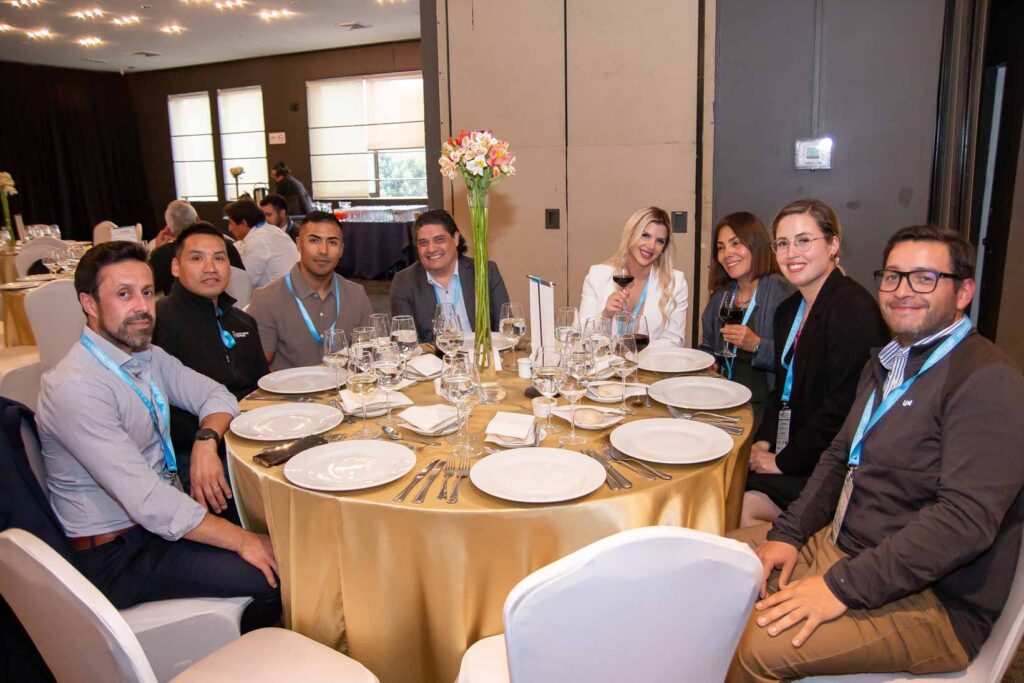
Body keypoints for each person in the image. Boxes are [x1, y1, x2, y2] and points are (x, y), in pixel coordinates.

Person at [727, 225, 1024, 682]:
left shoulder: (987, 381)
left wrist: (840, 587)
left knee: (749, 648)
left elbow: (962, 522)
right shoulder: (887, 361)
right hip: (841, 546)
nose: (903, 290)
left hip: (932, 601)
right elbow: (838, 457)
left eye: (924, 278)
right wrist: (788, 533)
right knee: (704, 568)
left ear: (963, 292)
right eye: (892, 277)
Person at [36, 241, 281, 633]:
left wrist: (205, 440)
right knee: (272, 573)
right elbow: (148, 502)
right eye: (124, 294)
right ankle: (234, 653)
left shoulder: (145, 356)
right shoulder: (76, 387)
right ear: (89, 304)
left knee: (281, 532)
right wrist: (242, 541)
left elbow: (216, 395)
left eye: (147, 292)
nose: (142, 307)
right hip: (118, 554)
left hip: (155, 524)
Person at [742, 199, 888, 528]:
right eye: (782, 243)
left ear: (833, 245)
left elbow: (843, 410)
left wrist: (782, 462)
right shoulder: (788, 310)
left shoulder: (855, 311)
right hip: (797, 447)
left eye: (804, 240)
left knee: (742, 503)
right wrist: (763, 441)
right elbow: (782, 388)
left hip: (835, 464)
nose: (792, 253)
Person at [153, 223, 269, 505]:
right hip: (195, 450)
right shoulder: (158, 323)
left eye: (219, 258)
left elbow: (261, 390)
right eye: (196, 258)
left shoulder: (243, 322)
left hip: (253, 439)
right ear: (176, 267)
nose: (210, 268)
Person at [699, 212, 794, 427]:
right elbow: (708, 347)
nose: (727, 253)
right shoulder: (721, 297)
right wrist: (709, 361)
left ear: (756, 245)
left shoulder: (782, 292)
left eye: (736, 243)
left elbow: (797, 362)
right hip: (723, 404)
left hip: (764, 411)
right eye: (721, 247)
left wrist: (757, 346)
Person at [248, 211, 372, 371]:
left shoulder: (356, 294)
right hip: (289, 387)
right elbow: (257, 367)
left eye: (332, 242)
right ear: (299, 244)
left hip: (345, 385)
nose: (323, 250)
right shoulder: (267, 298)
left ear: (341, 249)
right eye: (314, 240)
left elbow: (368, 356)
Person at [390, 209, 510, 343]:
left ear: (455, 238)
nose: (431, 249)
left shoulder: (485, 271)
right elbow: (406, 342)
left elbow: (505, 330)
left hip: (482, 354)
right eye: (423, 243)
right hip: (433, 356)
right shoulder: (404, 282)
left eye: (439, 239)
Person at [579, 207, 688, 346]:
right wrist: (605, 315)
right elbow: (581, 336)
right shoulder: (597, 275)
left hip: (651, 360)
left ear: (663, 249)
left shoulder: (676, 283)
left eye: (659, 241)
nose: (651, 246)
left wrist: (633, 353)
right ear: (630, 235)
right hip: (605, 360)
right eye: (645, 235)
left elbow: (674, 341)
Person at [150, 199, 243, 295]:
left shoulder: (163, 254)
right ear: (198, 220)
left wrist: (157, 251)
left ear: (169, 229)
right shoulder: (225, 246)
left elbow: (149, 286)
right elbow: (244, 281)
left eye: (219, 258)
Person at [225, 198, 298, 288]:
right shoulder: (270, 230)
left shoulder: (257, 240)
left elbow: (244, 282)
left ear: (243, 223)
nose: (229, 229)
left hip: (285, 293)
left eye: (231, 223)